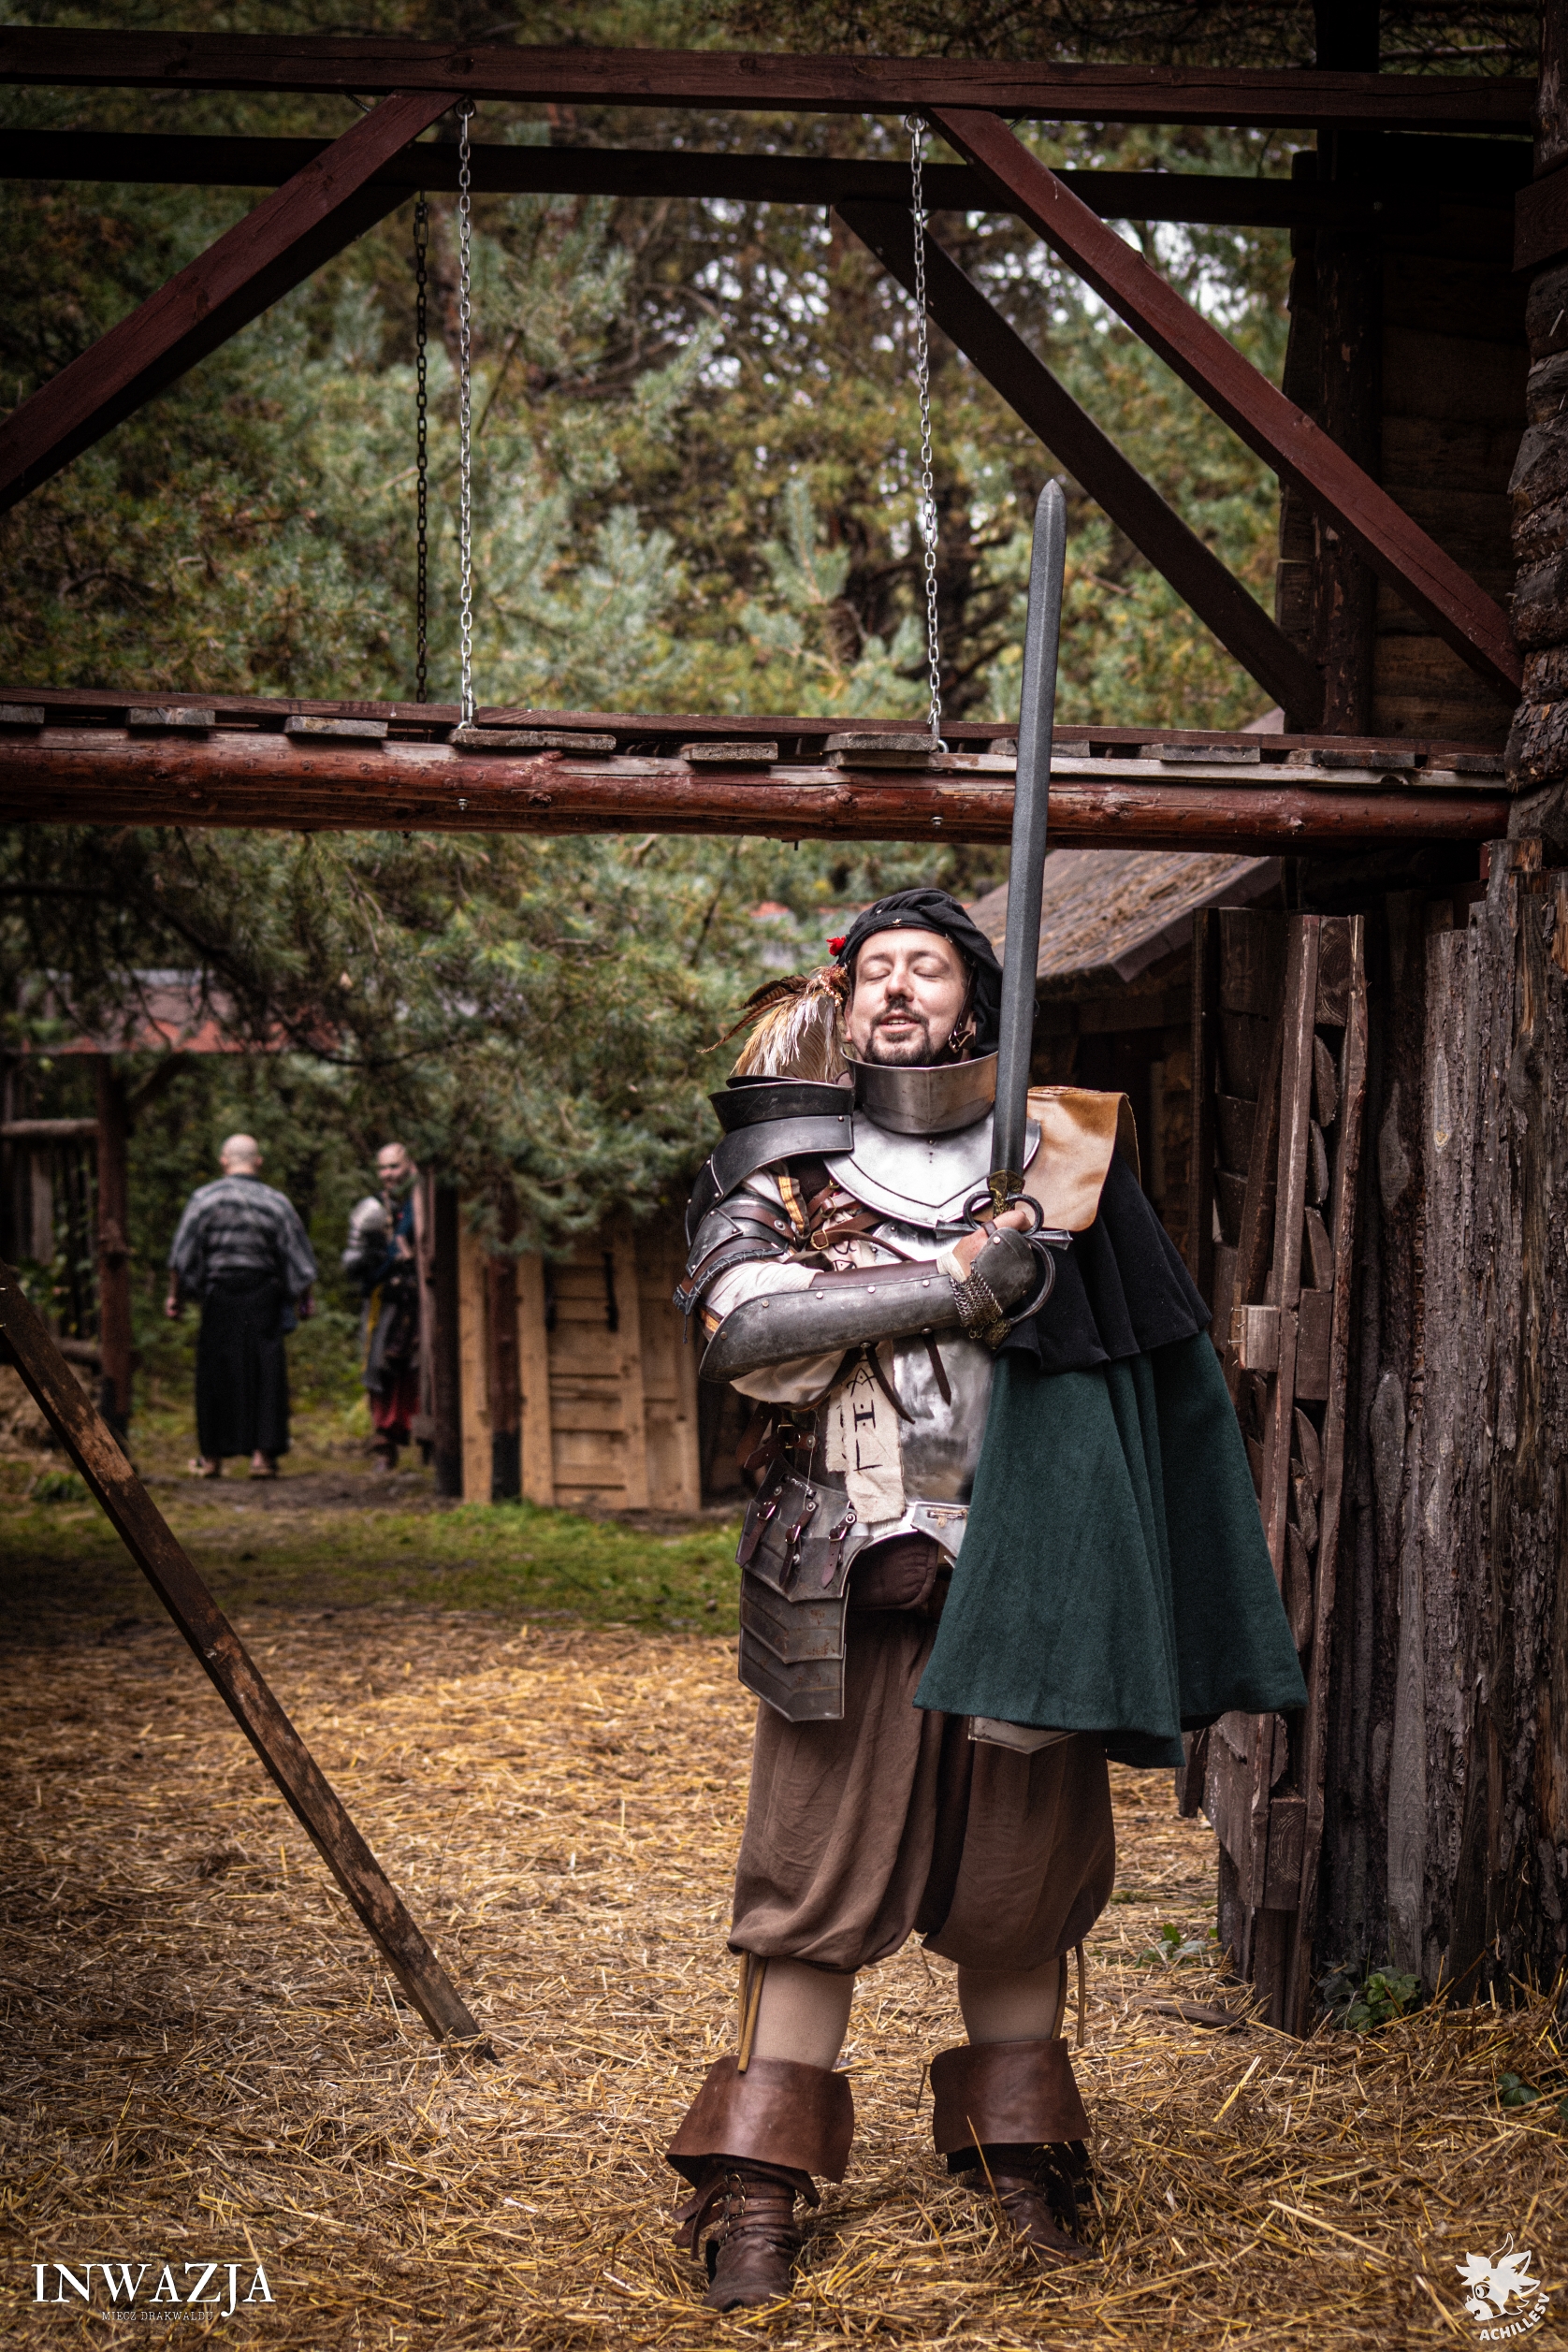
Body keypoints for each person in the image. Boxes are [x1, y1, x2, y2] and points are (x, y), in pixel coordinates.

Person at [665, 887, 1307, 2310]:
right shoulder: (783, 1163)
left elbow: (1138, 1369)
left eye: (931, 969)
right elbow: (749, 1336)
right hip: (847, 1577)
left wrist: (1033, 1257)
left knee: (1020, 1891)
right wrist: (960, 1283)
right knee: (810, 1891)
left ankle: (1020, 2154)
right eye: (879, 970)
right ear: (846, 998)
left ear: (976, 1005)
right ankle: (755, 2179)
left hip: (1027, 1581)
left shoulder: (1062, 1161)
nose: (901, 989)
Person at [166, 1133, 317, 1480]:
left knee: (215, 1374)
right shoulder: (276, 1203)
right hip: (264, 1297)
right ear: (258, 1162)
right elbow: (300, 1259)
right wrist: (304, 1300)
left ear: (224, 1161)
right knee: (266, 1374)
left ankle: (212, 1458)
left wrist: (176, 1297)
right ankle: (262, 1457)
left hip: (219, 1297)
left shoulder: (204, 1200)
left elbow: (181, 1257)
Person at [341, 1141, 428, 1474]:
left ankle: (426, 1440)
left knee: (420, 1368)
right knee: (380, 1368)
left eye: (395, 1166)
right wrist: (382, 1257)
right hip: (386, 1301)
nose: (388, 1174)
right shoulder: (371, 1210)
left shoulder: (425, 1204)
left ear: (410, 1167)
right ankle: (385, 1442)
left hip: (421, 1300)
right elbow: (352, 1264)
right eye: (383, 1167)